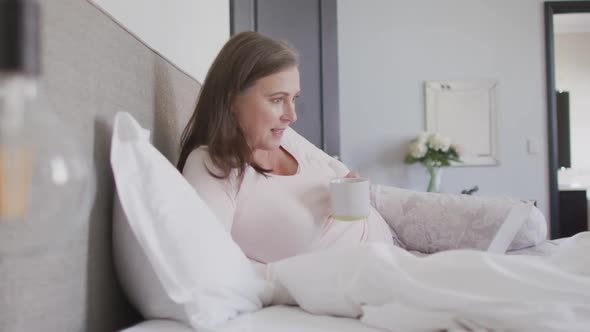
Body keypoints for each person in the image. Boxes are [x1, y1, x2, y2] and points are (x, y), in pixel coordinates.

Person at [177, 31, 400, 272]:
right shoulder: (213, 165)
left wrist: (351, 183)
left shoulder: (285, 138)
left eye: (293, 99)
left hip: (395, 250)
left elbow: (341, 172)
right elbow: (206, 262)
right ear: (231, 101)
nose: (291, 116)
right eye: (276, 100)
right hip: (364, 277)